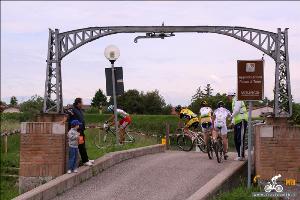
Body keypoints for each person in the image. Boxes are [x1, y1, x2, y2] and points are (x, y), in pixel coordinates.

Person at [62, 98, 94, 166]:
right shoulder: (72, 109)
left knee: (82, 146)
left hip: (81, 131)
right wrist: (63, 121)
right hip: (77, 132)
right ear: (78, 103)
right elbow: (66, 114)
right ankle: (85, 161)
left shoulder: (79, 110)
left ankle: (86, 159)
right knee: (81, 146)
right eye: (81, 103)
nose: (82, 104)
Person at [227, 92, 248, 161]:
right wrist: (232, 122)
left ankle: (241, 156)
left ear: (231, 95)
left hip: (241, 120)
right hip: (237, 122)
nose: (228, 98)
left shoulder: (237, 99)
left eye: (228, 96)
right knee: (236, 139)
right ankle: (239, 155)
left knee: (240, 139)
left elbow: (237, 110)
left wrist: (231, 117)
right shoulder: (233, 101)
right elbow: (235, 112)